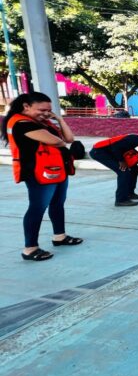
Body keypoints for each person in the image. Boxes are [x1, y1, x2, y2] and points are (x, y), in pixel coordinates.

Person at [1, 92, 80, 261]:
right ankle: (30, 248)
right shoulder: (22, 123)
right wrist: (57, 137)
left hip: (56, 169)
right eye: (41, 109)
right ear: (26, 106)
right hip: (38, 172)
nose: (45, 113)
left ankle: (59, 236)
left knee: (58, 203)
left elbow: (69, 138)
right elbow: (58, 142)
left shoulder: (40, 122)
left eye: (49, 110)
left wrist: (59, 120)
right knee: (37, 207)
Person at [90, 132, 138, 206]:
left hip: (113, 153)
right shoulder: (136, 139)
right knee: (123, 171)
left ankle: (130, 194)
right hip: (100, 151)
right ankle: (121, 200)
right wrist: (121, 161)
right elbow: (116, 146)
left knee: (134, 168)